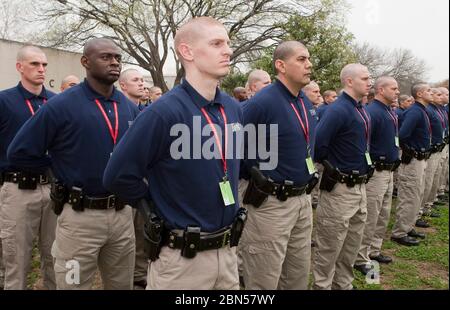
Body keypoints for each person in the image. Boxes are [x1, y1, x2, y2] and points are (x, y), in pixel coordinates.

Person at [103, 17, 243, 290]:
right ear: (187, 52)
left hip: (227, 254)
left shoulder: (232, 108)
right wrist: (154, 205)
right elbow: (117, 175)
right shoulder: (163, 112)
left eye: (228, 43)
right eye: (216, 43)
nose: (228, 50)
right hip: (182, 261)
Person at [7, 38, 139, 289]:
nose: (114, 62)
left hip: (122, 216)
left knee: (122, 284)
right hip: (80, 218)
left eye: (118, 58)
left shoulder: (128, 107)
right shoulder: (61, 105)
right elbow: (19, 152)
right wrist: (57, 165)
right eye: (106, 57)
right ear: (85, 62)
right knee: (73, 284)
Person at [239, 41, 318, 290]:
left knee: (297, 272)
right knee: (264, 278)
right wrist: (257, 176)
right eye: (302, 59)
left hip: (302, 200)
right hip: (271, 205)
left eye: (309, 59)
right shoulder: (262, 103)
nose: (309, 65)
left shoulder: (303, 102)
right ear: (281, 66)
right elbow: (235, 148)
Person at [0, 45, 56, 290]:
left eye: (44, 64)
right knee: (17, 259)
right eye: (34, 64)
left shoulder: (57, 102)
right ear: (19, 67)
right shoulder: (4, 101)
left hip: (53, 189)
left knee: (56, 256)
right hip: (17, 189)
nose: (41, 69)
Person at [312, 63, 372, 290]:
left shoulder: (360, 108)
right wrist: (333, 166)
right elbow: (318, 146)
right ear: (349, 81)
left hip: (359, 187)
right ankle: (322, 286)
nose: (369, 82)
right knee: (330, 243)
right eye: (365, 78)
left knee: (352, 242)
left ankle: (343, 283)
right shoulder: (338, 110)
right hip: (340, 188)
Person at [353, 77, 400, 275]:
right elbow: (364, 144)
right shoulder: (373, 112)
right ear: (381, 90)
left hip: (388, 171)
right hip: (377, 172)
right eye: (394, 88)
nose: (397, 91)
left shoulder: (389, 111)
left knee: (383, 214)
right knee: (370, 216)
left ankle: (374, 250)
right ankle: (360, 256)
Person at [390, 83, 433, 246]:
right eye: (429, 90)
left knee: (417, 194)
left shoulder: (422, 110)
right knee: (409, 195)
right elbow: (401, 135)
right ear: (420, 94)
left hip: (420, 159)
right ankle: (399, 232)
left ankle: (408, 226)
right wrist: (408, 151)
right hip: (413, 160)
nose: (432, 92)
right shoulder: (415, 112)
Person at [118, 68, 148, 289]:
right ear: (123, 86)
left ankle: (139, 273)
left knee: (141, 229)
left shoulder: (146, 112)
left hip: (143, 181)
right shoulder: (118, 112)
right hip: (123, 184)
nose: (142, 83)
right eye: (135, 80)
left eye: (143, 80)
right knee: (124, 234)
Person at [418, 88, 445, 219]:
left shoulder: (438, 110)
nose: (441, 97)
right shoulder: (427, 110)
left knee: (433, 178)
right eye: (438, 94)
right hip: (430, 150)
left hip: (439, 147)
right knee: (426, 181)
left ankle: (427, 205)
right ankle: (420, 210)